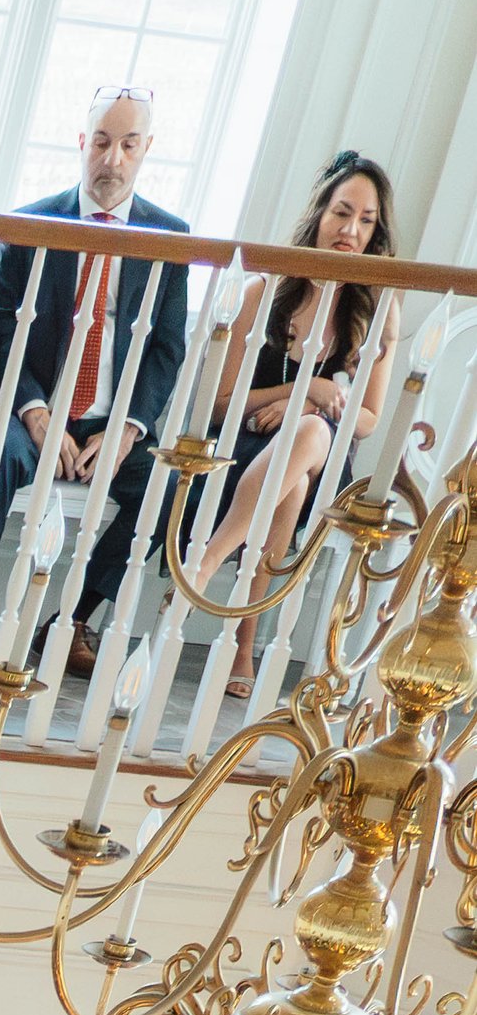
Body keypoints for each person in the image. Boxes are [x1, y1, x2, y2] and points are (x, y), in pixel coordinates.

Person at [0, 84, 188, 673]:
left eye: (128, 145)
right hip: (23, 407)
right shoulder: (32, 224)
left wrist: (128, 431)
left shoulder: (171, 238)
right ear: (83, 143)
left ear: (146, 149)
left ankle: (72, 617)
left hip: (109, 422)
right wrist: (36, 413)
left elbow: (166, 349)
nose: (112, 159)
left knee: (166, 490)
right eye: (103, 142)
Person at [182, 152, 395, 694]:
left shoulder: (376, 309)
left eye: (366, 221)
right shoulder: (267, 292)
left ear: (376, 232)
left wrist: (308, 403)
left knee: (311, 436)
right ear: (319, 214)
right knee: (291, 485)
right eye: (342, 212)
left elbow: (366, 419)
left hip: (328, 451)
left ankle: (206, 563)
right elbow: (221, 404)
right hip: (248, 451)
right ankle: (243, 648)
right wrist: (304, 390)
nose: (350, 230)